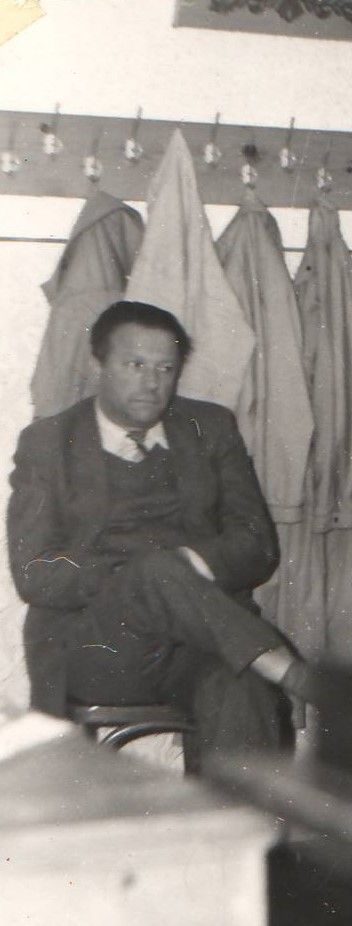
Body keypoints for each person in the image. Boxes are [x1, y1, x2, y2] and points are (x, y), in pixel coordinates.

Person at [8, 301, 302, 770]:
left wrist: (182, 568)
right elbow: (35, 572)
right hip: (97, 648)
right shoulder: (48, 443)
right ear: (98, 365)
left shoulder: (210, 428)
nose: (152, 382)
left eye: (166, 368)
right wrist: (143, 577)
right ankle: (289, 670)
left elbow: (257, 544)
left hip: (198, 645)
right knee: (156, 571)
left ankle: (235, 821)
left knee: (243, 689)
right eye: (135, 365)